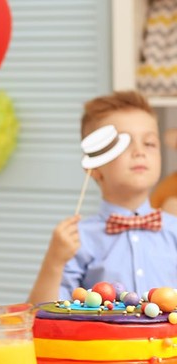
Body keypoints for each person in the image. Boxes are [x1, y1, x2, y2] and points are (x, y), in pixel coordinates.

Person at [28, 90, 177, 305]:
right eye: (123, 144)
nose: (139, 152)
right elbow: (42, 314)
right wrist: (54, 262)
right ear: (95, 168)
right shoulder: (76, 240)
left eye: (150, 143)